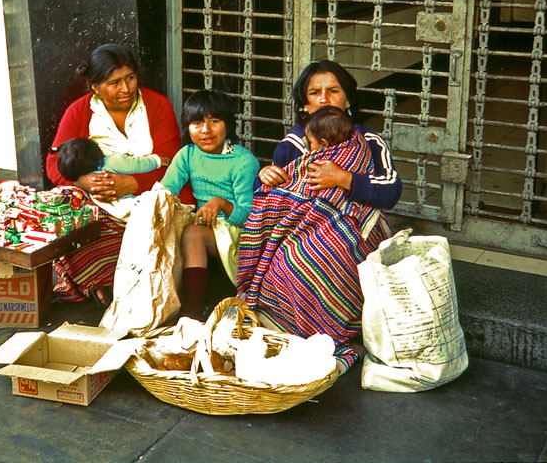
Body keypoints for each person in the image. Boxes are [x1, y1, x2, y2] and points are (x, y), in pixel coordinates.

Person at [237, 59, 402, 374]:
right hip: (300, 230)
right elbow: (280, 194)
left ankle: (332, 332)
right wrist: (266, 177)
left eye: (333, 90)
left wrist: (345, 179)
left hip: (357, 234)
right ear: (305, 103)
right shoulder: (295, 143)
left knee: (329, 252)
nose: (325, 98)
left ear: (348, 99)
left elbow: (391, 189)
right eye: (315, 92)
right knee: (292, 259)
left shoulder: (367, 140)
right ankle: (296, 332)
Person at [46, 43, 187, 307]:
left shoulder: (157, 106)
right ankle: (99, 279)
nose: (125, 89)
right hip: (97, 200)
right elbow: (54, 162)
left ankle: (119, 286)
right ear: (95, 87)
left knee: (147, 231)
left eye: (130, 78)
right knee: (66, 215)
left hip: (149, 196)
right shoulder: (80, 111)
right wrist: (82, 182)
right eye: (114, 83)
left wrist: (132, 183)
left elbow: (172, 162)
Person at [161, 89, 259, 320]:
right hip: (206, 224)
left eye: (214, 121)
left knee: (193, 233)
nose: (205, 130)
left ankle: (191, 312)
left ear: (228, 125)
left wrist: (221, 203)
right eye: (197, 123)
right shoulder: (187, 155)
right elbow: (166, 190)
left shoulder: (243, 161)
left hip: (237, 231)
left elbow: (249, 214)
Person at [55, 137, 170, 220]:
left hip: (113, 212)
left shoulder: (83, 181)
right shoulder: (113, 161)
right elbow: (140, 164)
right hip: (132, 206)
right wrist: (159, 161)